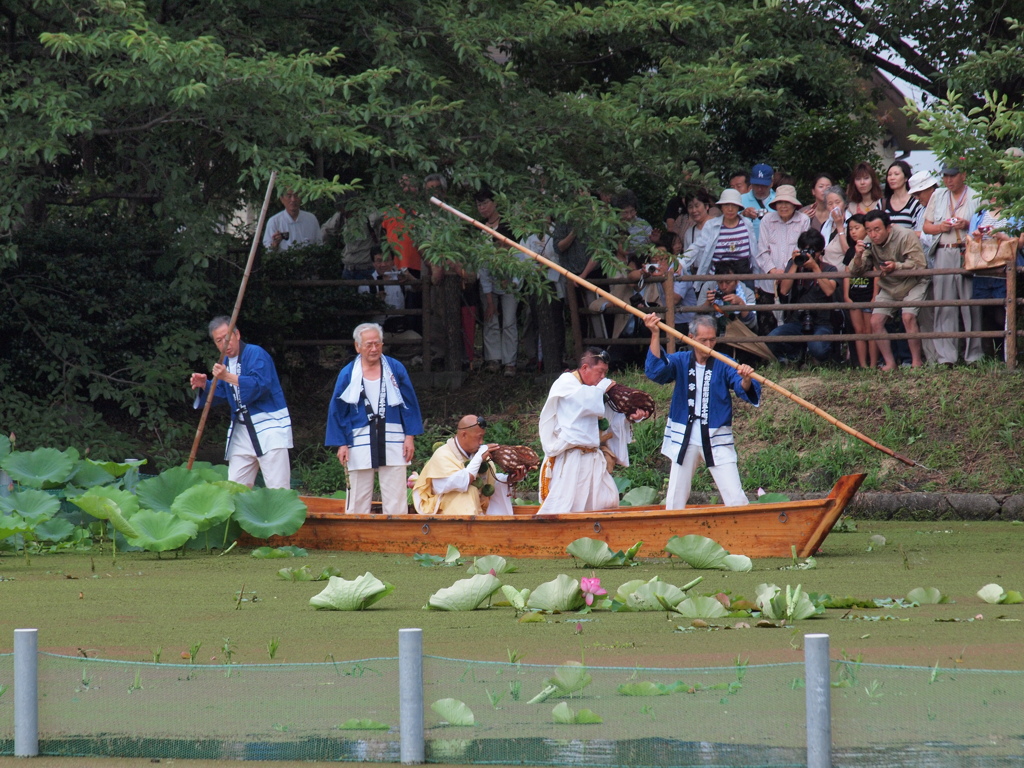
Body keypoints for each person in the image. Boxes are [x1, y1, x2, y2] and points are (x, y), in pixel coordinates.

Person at [643, 313, 760, 509]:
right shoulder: (680, 360)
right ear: (690, 338)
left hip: (716, 435)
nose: (708, 344)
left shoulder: (724, 362)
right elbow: (657, 372)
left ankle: (744, 534)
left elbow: (742, 386)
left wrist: (746, 379)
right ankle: (672, 534)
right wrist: (655, 334)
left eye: (712, 339)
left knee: (735, 496)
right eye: (703, 340)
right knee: (675, 497)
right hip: (684, 435)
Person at [325, 322, 423, 515]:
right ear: (357, 346)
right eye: (368, 344)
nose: (374, 349)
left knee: (396, 498)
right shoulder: (348, 374)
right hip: (359, 438)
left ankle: (395, 539)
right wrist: (342, 443)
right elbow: (337, 409)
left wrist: (410, 436)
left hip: (393, 438)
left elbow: (409, 402)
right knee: (357, 498)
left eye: (377, 344)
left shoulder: (395, 368)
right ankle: (355, 537)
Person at [536, 348, 648, 514]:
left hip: (593, 459)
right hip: (570, 459)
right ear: (585, 368)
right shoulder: (567, 382)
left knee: (606, 501)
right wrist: (602, 388)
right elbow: (585, 403)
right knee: (566, 506)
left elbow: (608, 420)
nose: (603, 376)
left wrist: (631, 417)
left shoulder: (595, 391)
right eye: (600, 371)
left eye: (605, 372)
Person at [189, 317, 293, 488]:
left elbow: (261, 384)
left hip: (269, 427)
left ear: (237, 334)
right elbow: (224, 392)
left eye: (227, 337)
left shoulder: (256, 353)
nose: (225, 344)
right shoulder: (225, 363)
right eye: (219, 340)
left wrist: (227, 377)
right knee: (235, 487)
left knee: (278, 488)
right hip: (241, 430)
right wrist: (205, 385)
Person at [849, 210, 928, 370]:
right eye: (869, 230)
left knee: (908, 317)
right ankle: (890, 363)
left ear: (888, 228)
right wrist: (857, 256)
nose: (873, 234)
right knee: (875, 321)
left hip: (913, 281)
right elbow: (855, 271)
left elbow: (920, 264)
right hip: (890, 284)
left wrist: (896, 266)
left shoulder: (906, 235)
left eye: (877, 229)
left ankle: (916, 362)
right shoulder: (867, 241)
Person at [922, 165, 983, 365]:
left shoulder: (976, 195)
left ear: (963, 175)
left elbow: (984, 226)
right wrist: (941, 226)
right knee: (944, 303)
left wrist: (967, 224)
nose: (949, 180)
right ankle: (945, 357)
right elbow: (927, 226)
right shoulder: (938, 195)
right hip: (943, 249)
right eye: (946, 176)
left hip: (967, 250)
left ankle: (974, 355)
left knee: (969, 303)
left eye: (953, 175)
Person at [412, 415, 515, 516]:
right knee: (468, 491)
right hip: (444, 511)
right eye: (479, 437)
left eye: (483, 437)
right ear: (464, 435)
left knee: (494, 488)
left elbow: (490, 481)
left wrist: (511, 478)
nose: (481, 442)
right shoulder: (443, 454)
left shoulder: (478, 454)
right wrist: (478, 458)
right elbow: (462, 483)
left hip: (475, 510)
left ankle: (499, 528)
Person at [767, 229, 839, 365]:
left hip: (821, 322)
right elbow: (784, 290)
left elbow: (829, 291)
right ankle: (796, 357)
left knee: (818, 348)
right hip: (796, 320)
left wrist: (815, 268)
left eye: (813, 251)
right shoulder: (794, 265)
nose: (809, 255)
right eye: (805, 250)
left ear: (820, 251)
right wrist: (795, 264)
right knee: (773, 338)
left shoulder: (830, 269)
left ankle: (815, 358)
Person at [475, 186, 521, 375]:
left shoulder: (509, 227)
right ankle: (493, 358)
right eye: (478, 205)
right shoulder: (479, 228)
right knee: (490, 317)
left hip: (511, 283)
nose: (482, 208)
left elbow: (521, 262)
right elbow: (483, 269)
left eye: (485, 203)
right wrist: (489, 301)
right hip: (489, 284)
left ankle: (510, 361)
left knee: (509, 321)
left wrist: (512, 282)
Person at [755, 184, 811, 334]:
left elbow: (803, 249)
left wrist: (787, 272)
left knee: (791, 321)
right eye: (780, 202)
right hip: (769, 282)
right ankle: (767, 356)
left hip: (794, 279)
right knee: (767, 323)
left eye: (787, 202)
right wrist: (773, 271)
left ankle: (794, 356)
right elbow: (761, 250)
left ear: (794, 204)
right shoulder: (767, 220)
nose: (783, 206)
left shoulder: (803, 220)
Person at [837, 215, 878, 369]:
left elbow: (876, 274)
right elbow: (847, 274)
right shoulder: (850, 251)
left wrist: (875, 295)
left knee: (870, 331)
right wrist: (846, 296)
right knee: (859, 331)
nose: (853, 232)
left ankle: (873, 364)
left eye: (857, 228)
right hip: (854, 296)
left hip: (868, 295)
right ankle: (863, 365)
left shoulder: (872, 248)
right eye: (850, 229)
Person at [740, 163, 775, 242]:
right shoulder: (740, 200)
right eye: (756, 185)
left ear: (771, 183)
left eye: (764, 185)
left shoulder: (780, 201)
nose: (759, 189)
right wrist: (743, 214)